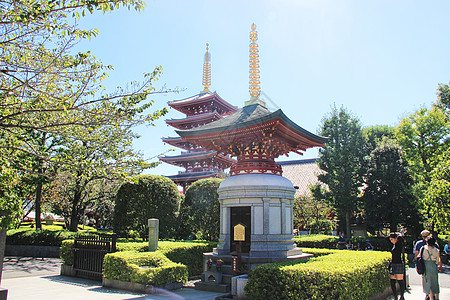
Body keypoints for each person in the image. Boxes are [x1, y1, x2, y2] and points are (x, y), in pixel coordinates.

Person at [389, 233, 406, 300]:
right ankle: (395, 296)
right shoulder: (395, 245)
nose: (391, 241)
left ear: (396, 239)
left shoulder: (399, 244)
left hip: (398, 264)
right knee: (392, 281)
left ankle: (402, 296)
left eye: (392, 239)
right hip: (394, 264)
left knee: (400, 281)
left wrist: (398, 235)